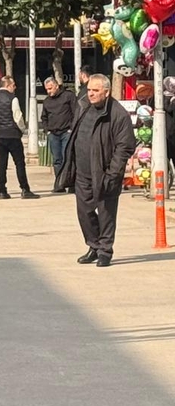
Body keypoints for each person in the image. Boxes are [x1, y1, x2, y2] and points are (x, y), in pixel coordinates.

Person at [55, 74, 135, 267]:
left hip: (105, 173)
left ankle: (105, 251)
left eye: (95, 91)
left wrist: (112, 173)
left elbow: (124, 147)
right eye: (89, 89)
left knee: (106, 214)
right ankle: (93, 245)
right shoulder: (83, 106)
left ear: (106, 92)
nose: (90, 94)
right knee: (85, 212)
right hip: (82, 172)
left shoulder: (118, 114)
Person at [0, 76, 40, 200]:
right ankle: (25, 189)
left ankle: (2, 191)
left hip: (0, 135)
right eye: (13, 85)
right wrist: (22, 129)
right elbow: (18, 117)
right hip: (13, 135)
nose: (15, 88)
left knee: (2, 164)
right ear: (8, 85)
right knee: (19, 163)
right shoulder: (13, 99)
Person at [41, 76, 79, 188]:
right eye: (47, 89)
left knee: (67, 157)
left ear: (56, 86)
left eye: (50, 88)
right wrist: (47, 130)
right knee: (57, 160)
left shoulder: (68, 96)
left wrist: (71, 129)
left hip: (66, 132)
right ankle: (59, 184)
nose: (49, 91)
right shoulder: (47, 101)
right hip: (53, 134)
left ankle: (70, 183)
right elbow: (44, 117)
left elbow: (75, 112)